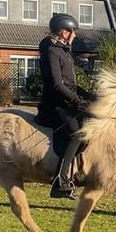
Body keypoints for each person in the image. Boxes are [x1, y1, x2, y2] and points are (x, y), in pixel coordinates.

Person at [36, 13, 95, 200]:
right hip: (54, 105)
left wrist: (91, 96)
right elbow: (57, 85)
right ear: (63, 32)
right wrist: (79, 101)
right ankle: (59, 182)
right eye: (72, 31)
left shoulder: (64, 52)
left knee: (87, 132)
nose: (75, 35)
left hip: (67, 103)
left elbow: (71, 85)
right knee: (74, 134)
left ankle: (76, 174)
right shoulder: (52, 52)